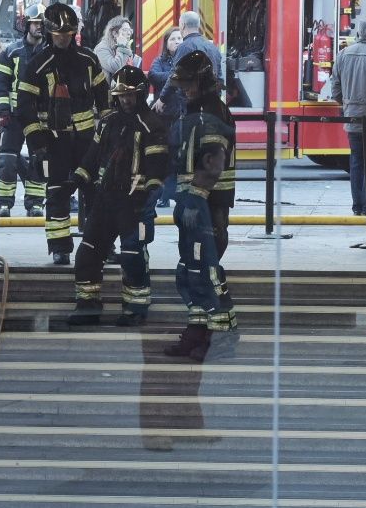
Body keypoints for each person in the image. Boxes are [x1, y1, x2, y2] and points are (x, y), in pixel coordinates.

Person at [68, 65, 170, 328]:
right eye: (121, 95)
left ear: (141, 93)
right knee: (88, 253)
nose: (126, 100)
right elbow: (92, 156)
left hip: (135, 205)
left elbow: (158, 166)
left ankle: (135, 308)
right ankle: (87, 305)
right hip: (106, 201)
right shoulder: (108, 122)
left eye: (131, 94)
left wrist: (149, 195)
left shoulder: (152, 125)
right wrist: (77, 178)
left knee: (133, 255)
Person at [15, 2, 109, 266]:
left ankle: (97, 243)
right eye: (58, 34)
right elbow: (24, 107)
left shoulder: (88, 60)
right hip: (54, 140)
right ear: (48, 33)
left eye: (67, 34)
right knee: (57, 193)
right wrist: (37, 142)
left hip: (88, 139)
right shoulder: (37, 65)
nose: (63, 39)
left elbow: (104, 99)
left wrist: (108, 132)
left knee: (94, 191)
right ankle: (60, 247)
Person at [163, 50, 239, 363]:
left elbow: (213, 160)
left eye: (189, 82)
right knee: (193, 272)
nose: (184, 88)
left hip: (208, 207)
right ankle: (196, 334)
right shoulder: (197, 108)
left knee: (206, 274)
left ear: (203, 81)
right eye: (182, 83)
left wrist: (195, 196)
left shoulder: (209, 112)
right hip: (198, 205)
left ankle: (221, 339)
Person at [0, 6, 47, 218]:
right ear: (27, 25)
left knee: (40, 160)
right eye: (35, 23)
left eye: (42, 23)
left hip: (40, 117)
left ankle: (36, 204)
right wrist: (3, 110)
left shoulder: (51, 53)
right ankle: (4, 204)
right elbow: (0, 84)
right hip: (14, 116)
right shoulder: (10, 53)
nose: (39, 27)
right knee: (7, 160)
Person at [324, 14, 366, 217]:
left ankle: (357, 205)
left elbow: (335, 88)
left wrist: (346, 104)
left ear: (358, 32)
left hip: (352, 117)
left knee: (356, 161)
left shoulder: (343, 54)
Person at [155, 11, 222, 122]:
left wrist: (162, 99)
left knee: (189, 136)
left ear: (183, 25)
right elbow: (220, 78)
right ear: (198, 25)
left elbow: (174, 76)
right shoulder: (213, 48)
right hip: (210, 105)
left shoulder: (183, 48)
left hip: (190, 106)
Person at [148, 28, 185, 209]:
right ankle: (161, 195)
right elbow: (154, 76)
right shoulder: (159, 61)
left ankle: (172, 194)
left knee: (176, 158)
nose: (177, 41)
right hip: (163, 118)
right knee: (162, 156)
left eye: (180, 38)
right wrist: (174, 77)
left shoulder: (185, 61)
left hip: (179, 115)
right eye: (173, 39)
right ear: (166, 43)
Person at [94, 14, 140, 80]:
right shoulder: (101, 48)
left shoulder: (125, 48)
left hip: (123, 89)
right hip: (107, 89)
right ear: (114, 33)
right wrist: (121, 46)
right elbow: (116, 68)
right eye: (125, 30)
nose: (129, 33)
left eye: (130, 30)